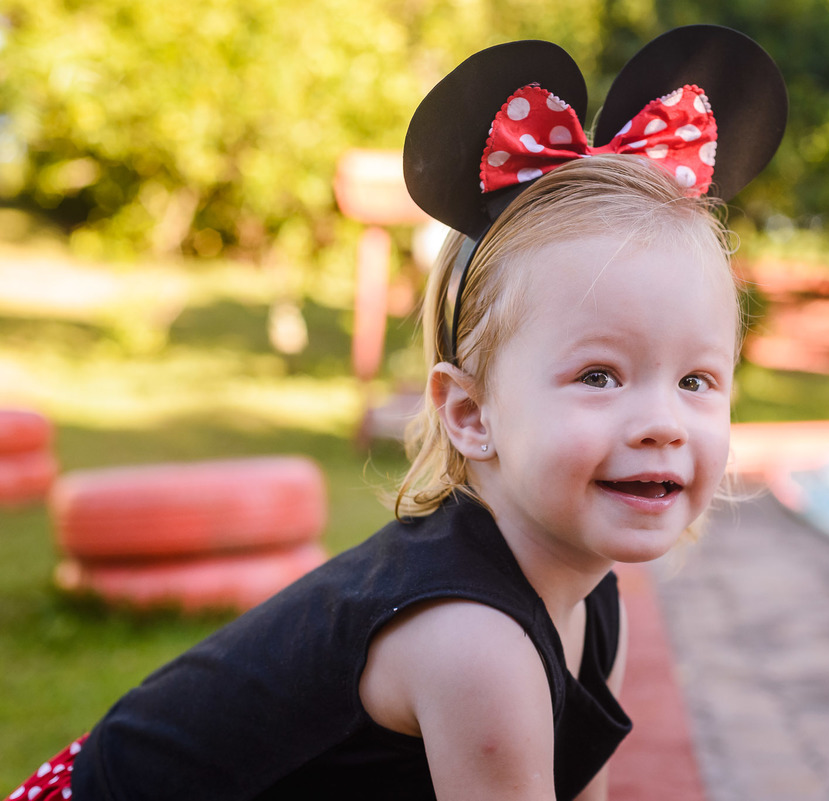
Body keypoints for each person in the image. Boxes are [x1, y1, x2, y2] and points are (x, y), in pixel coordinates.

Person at [10, 25, 785, 801]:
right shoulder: (476, 641)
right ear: (470, 413)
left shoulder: (594, 602)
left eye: (695, 380)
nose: (662, 422)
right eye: (599, 375)